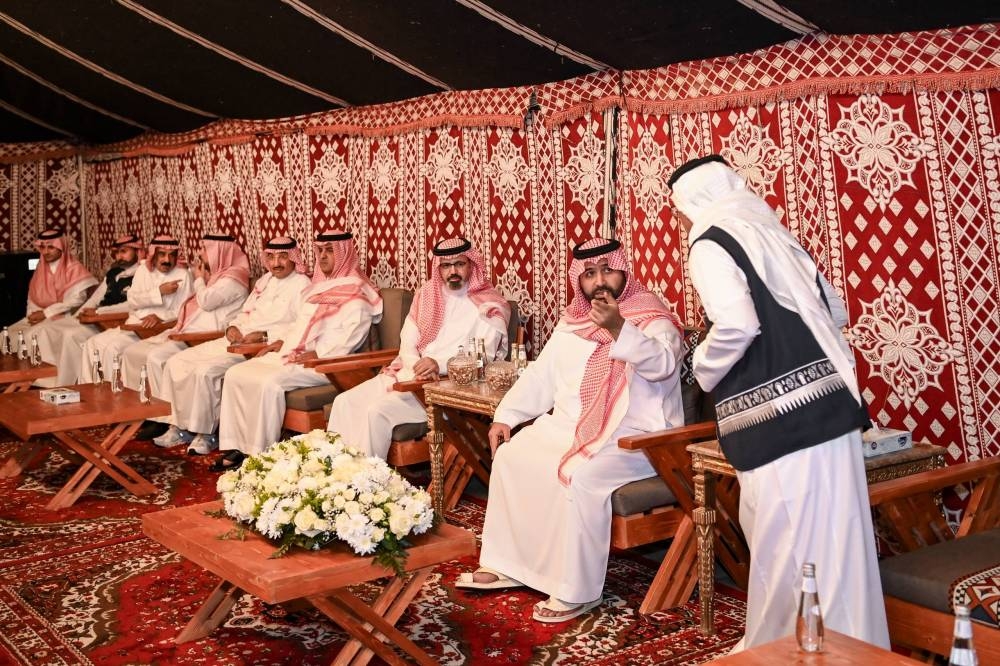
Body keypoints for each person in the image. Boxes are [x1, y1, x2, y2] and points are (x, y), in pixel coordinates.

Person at [668, 155, 889, 650]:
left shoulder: (710, 241)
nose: (680, 221)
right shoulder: (773, 232)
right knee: (840, 542)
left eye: (679, 210)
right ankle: (852, 650)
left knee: (782, 542)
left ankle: (776, 652)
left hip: (781, 421)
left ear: (694, 200)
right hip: (830, 407)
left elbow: (738, 324)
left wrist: (702, 365)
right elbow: (836, 309)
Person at [456, 238, 684, 623]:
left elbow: (663, 365)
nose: (600, 281)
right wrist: (506, 415)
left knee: (582, 476)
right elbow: (541, 377)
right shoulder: (572, 322)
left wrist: (618, 328)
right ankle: (510, 565)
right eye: (590, 274)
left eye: (607, 270)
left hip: (636, 439)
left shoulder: (652, 318)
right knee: (512, 456)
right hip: (568, 427)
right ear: (579, 280)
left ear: (623, 271)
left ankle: (577, 591)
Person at [214, 230, 383, 471]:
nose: (322, 257)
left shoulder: (356, 290)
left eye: (330, 251)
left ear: (344, 254)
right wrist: (281, 342)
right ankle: (238, 446)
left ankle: (260, 454)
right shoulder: (318, 288)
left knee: (269, 382)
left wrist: (320, 354)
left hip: (327, 363)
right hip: (294, 354)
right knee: (236, 373)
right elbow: (299, 325)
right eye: (320, 251)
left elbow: (353, 333)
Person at [326, 236, 510, 457]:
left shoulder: (490, 305)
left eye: (459, 264)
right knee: (344, 402)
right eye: (446, 266)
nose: (453, 271)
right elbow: (408, 340)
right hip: (409, 374)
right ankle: (336, 472)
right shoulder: (427, 295)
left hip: (448, 388)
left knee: (376, 412)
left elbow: (484, 356)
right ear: (438, 268)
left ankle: (367, 477)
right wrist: (417, 367)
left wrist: (438, 364)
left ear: (472, 264)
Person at [153, 237, 310, 454]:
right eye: (272, 257)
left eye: (283, 257)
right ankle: (179, 427)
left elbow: (301, 326)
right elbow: (244, 313)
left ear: (293, 258)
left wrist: (265, 335)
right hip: (237, 339)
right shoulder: (265, 281)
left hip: (261, 346)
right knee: (177, 361)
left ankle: (207, 434)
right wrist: (232, 328)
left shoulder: (303, 285)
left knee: (205, 371)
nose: (276, 263)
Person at [123, 233, 249, 430]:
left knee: (157, 358)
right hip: (187, 332)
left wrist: (199, 279)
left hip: (204, 337)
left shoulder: (233, 279)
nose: (200, 253)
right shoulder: (218, 275)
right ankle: (142, 413)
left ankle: (162, 420)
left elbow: (206, 302)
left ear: (219, 252)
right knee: (134, 352)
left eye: (205, 249)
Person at [32, 233, 145, 387]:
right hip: (95, 317)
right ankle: (45, 381)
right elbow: (96, 298)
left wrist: (98, 313)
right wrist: (79, 314)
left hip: (109, 321)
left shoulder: (142, 274)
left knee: (70, 336)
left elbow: (131, 305)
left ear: (137, 251)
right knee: (48, 329)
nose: (119, 256)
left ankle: (66, 385)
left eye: (124, 251)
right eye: (117, 252)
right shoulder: (113, 273)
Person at [80, 235, 193, 385]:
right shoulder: (142, 271)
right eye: (162, 254)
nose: (167, 259)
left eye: (172, 255)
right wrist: (159, 292)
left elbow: (184, 310)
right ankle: (90, 387)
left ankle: (110, 391)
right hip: (133, 324)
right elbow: (133, 300)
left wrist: (160, 317)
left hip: (157, 328)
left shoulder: (183, 275)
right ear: (153, 254)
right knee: (91, 343)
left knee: (112, 349)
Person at [8, 228, 98, 354]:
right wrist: (32, 316)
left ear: (61, 247)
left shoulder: (74, 268)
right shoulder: (40, 269)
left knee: (30, 337)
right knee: (6, 335)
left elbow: (76, 300)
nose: (45, 252)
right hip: (40, 317)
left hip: (65, 317)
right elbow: (32, 297)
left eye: (50, 247)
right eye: (42, 247)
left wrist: (45, 313)